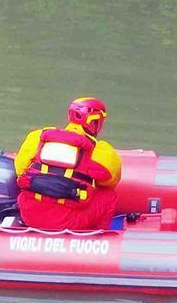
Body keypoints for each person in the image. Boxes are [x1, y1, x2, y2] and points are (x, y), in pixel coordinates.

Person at [13, 97, 122, 231]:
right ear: (94, 122)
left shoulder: (37, 137)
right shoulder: (99, 151)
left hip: (29, 216)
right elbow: (110, 182)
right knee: (109, 195)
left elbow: (19, 170)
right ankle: (99, 239)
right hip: (68, 221)